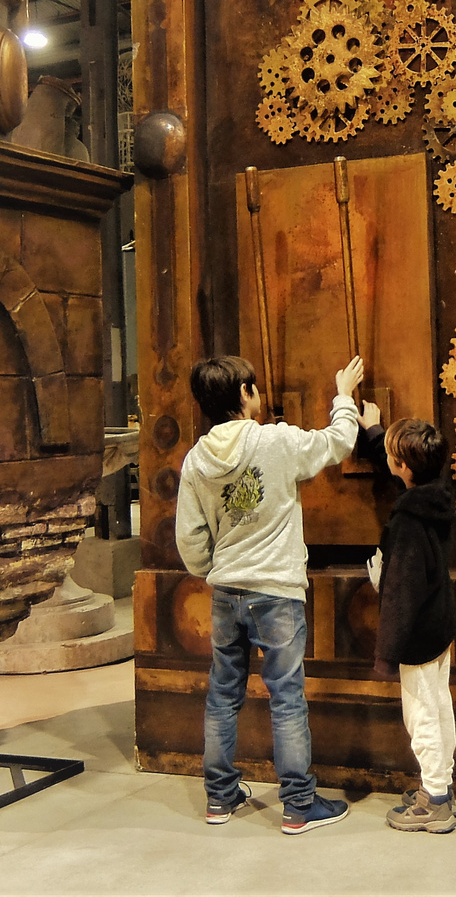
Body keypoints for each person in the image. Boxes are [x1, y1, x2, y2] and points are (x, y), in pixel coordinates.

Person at [175, 353, 364, 834]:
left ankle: (220, 799)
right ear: (243, 394)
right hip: (277, 593)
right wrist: (343, 396)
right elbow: (338, 442)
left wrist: (213, 569)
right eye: (254, 386)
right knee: (286, 698)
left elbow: (190, 538)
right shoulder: (277, 440)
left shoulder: (197, 460)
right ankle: (299, 804)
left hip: (226, 592)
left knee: (222, 694)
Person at [358, 411, 456, 834]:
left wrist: (388, 650)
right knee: (439, 705)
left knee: (419, 714)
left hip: (416, 631)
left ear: (402, 467)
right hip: (439, 622)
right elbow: (404, 458)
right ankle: (443, 784)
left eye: (390, 456)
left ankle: (434, 800)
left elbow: (399, 591)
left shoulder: (405, 523)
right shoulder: (437, 494)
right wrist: (374, 430)